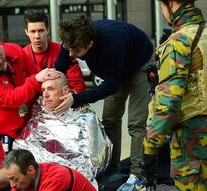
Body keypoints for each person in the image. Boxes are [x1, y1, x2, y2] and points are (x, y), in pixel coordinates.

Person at [142, 0, 207, 191]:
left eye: (162, 5)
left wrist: (150, 148)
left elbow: (168, 104)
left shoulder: (179, 42)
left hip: (193, 139)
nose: (163, 11)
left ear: (171, 3)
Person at [54, 16, 154, 176]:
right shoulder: (72, 38)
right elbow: (60, 66)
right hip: (117, 65)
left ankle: (138, 175)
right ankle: (112, 171)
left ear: (90, 44)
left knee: (136, 122)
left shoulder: (111, 44)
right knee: (110, 119)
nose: (71, 54)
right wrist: (51, 81)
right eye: (68, 49)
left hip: (140, 61)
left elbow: (110, 86)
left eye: (76, 51)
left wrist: (77, 99)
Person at [14, 72, 112, 187]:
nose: (45, 94)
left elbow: (95, 161)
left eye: (50, 89)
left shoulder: (85, 119)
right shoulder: (37, 119)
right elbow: (20, 154)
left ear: (65, 91)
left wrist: (55, 171)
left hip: (73, 183)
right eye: (43, 89)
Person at [0, 33, 60, 151]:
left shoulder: (14, 50)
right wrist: (35, 80)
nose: (0, 60)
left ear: (1, 45)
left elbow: (34, 73)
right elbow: (11, 99)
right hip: (0, 132)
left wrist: (36, 103)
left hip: (26, 123)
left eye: (1, 54)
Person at [23, 9, 86, 93]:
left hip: (61, 102)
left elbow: (77, 84)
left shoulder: (63, 50)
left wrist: (71, 100)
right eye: (33, 31)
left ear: (47, 30)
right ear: (26, 32)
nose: (37, 36)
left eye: (41, 31)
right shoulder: (22, 55)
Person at [2, 149, 97, 191]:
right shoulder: (31, 175)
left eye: (15, 179)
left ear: (30, 170)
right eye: (10, 179)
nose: (12, 185)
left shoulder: (54, 180)